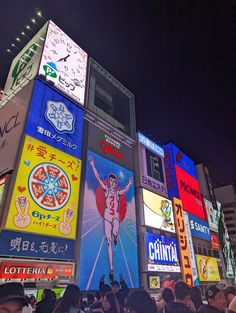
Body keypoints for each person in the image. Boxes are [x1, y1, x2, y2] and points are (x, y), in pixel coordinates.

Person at [88, 155, 133, 277]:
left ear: (116, 182)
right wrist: (92, 165)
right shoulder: (107, 190)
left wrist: (129, 184)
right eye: (111, 181)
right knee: (108, 241)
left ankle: (116, 236)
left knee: (116, 231)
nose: (113, 183)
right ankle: (111, 267)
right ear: (110, 181)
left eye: (114, 181)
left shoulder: (118, 192)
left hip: (115, 216)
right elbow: (98, 178)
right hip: (108, 215)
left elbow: (125, 189)